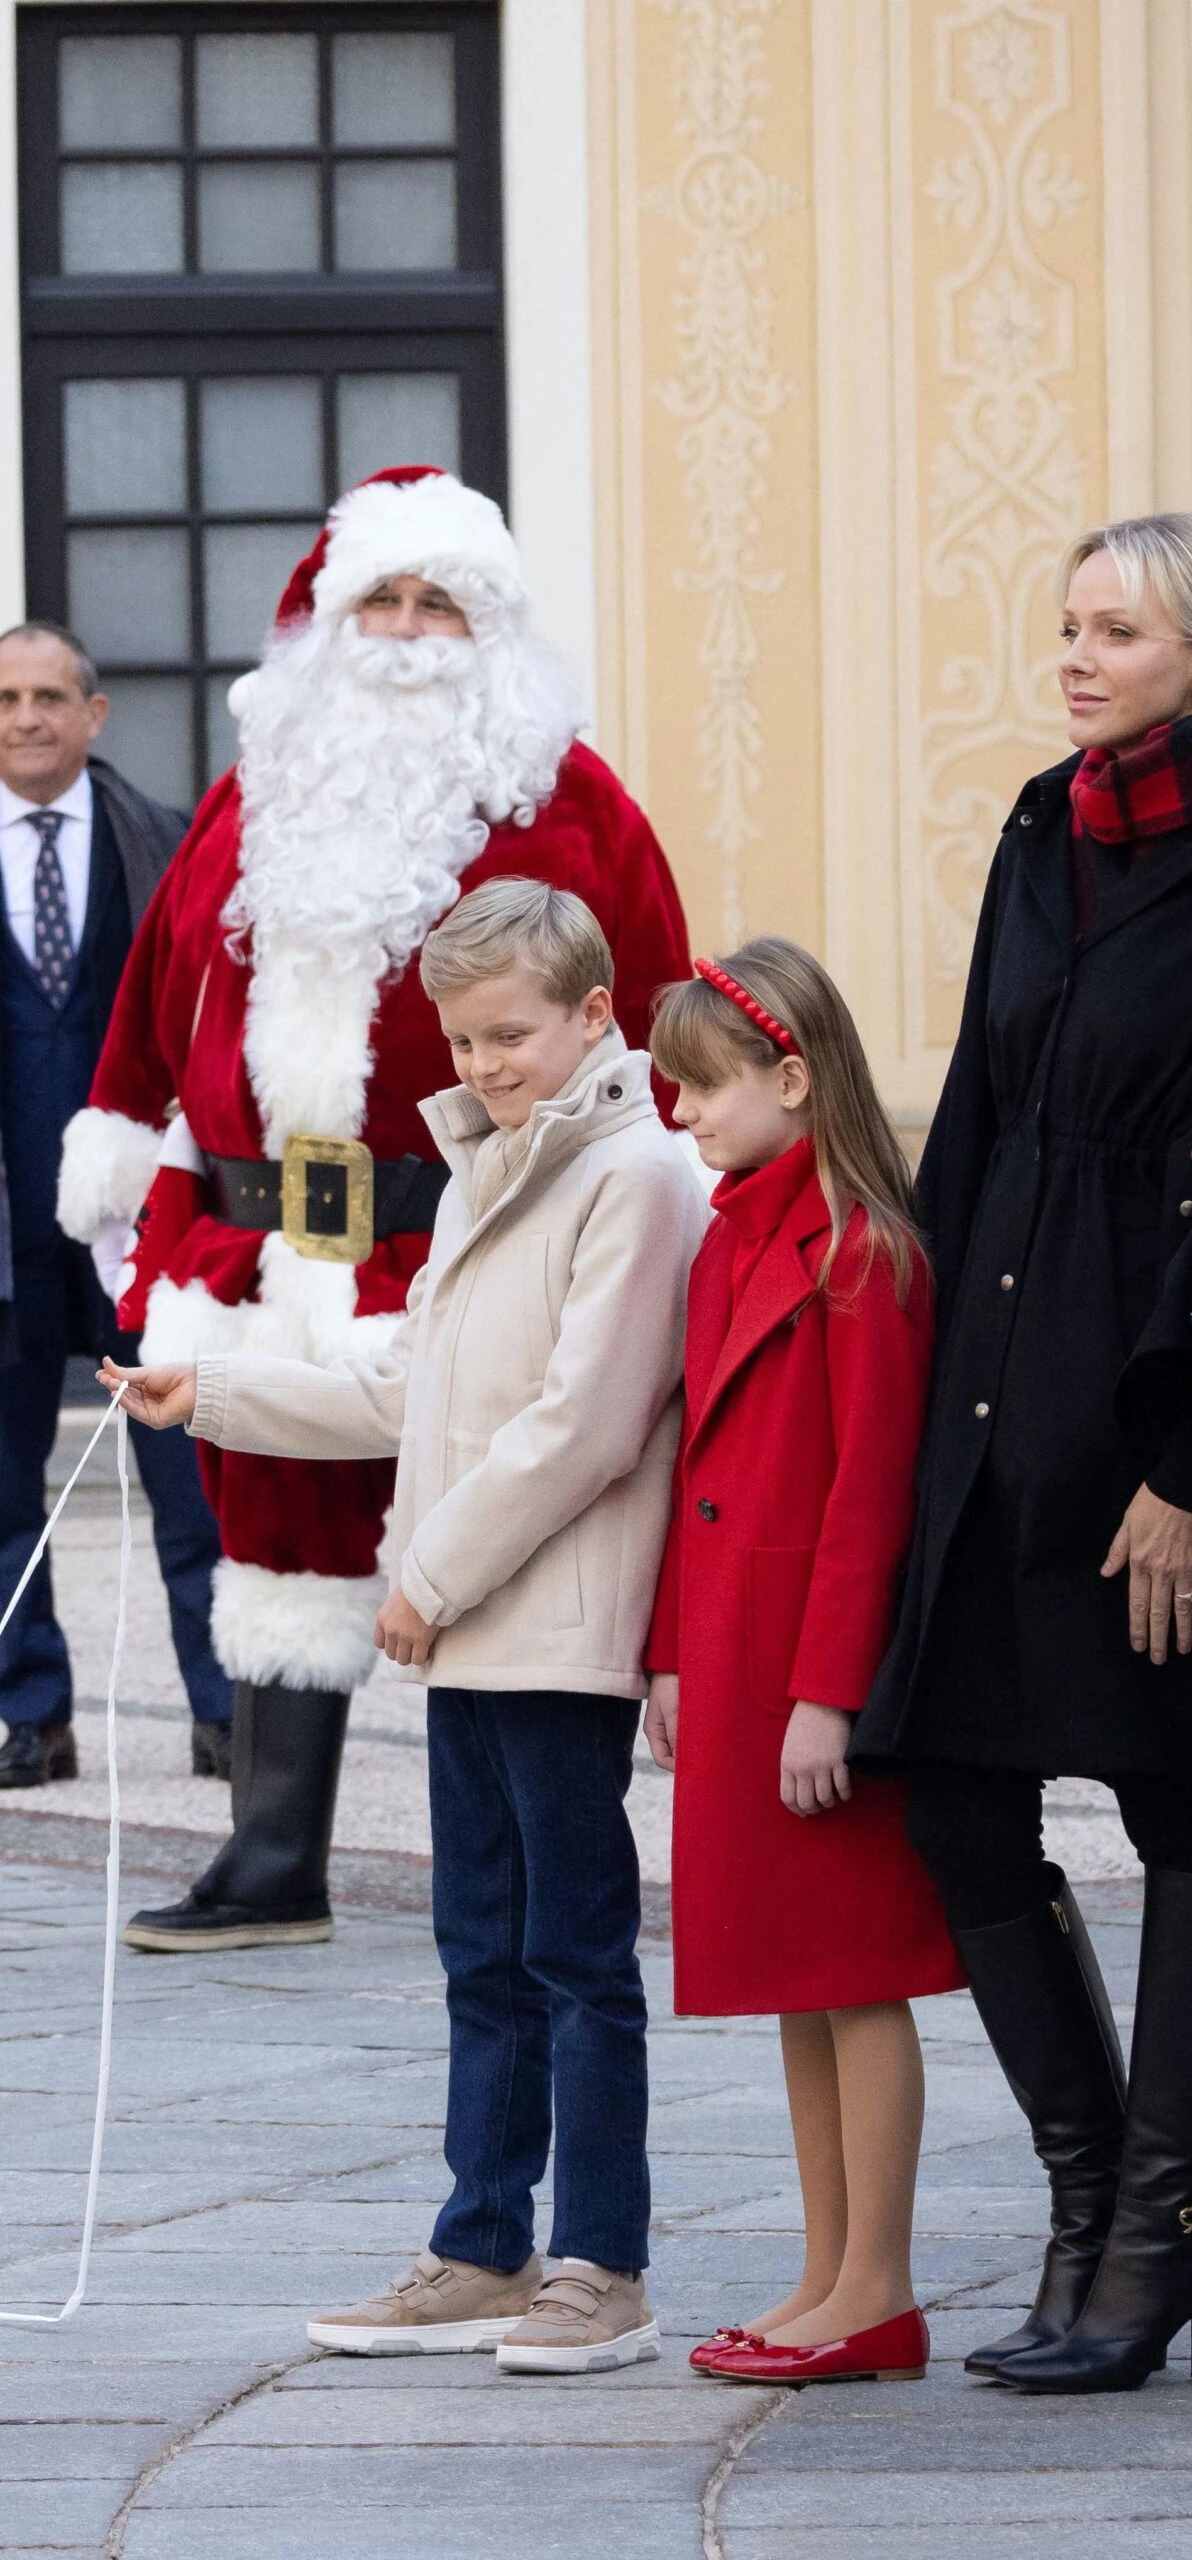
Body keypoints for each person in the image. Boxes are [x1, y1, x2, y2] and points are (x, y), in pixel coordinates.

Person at [57, 467, 692, 1950]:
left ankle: (528, 1868)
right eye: (382, 602)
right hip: (260, 1229)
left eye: (439, 604)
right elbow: (157, 1000)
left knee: (500, 1521)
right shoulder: (250, 796)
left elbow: (652, 1005)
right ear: (324, 623)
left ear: (492, 630)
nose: (407, 635)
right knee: (270, 1519)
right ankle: (274, 1853)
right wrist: (131, 1155)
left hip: (465, 1229)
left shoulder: (574, 801)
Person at [106, 877, 706, 2371]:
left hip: (550, 1629)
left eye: (511, 1034)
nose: (484, 1063)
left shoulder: (638, 1177)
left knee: (574, 1954)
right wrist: (219, 1390)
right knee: (476, 1950)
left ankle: (601, 2266)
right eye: (460, 1037)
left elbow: (588, 1427)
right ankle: (479, 2244)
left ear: (593, 1016)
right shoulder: (494, 1163)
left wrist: (425, 1576)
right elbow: (405, 1392)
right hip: (470, 1631)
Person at [850, 513, 1192, 2394]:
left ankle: (1167, 2231)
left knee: (1182, 1797)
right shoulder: (1048, 819)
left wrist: (1191, 1459)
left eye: (1114, 632)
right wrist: (907, 1371)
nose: (1075, 656)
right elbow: (975, 1093)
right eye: (1066, 627)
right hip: (993, 1361)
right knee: (954, 1782)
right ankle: (1084, 2197)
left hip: (1147, 1388)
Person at [643, 939, 964, 2387]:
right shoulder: (730, 1239)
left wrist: (826, 1692)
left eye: (702, 1088)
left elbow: (870, 1497)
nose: (684, 1115)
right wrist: (671, 1659)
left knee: (851, 1973)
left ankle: (877, 2285)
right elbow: (691, 1465)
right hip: (731, 1656)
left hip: (808, 1680)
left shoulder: (862, 1258)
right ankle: (825, 2270)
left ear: (790, 1077)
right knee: (792, 1977)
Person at [0, 619, 232, 1788]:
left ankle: (226, 1713)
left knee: (188, 1469)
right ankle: (27, 1715)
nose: (27, 717)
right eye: (6, 698)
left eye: (49, 696)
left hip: (143, 1221)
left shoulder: (169, 842)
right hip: (5, 1239)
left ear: (94, 715)